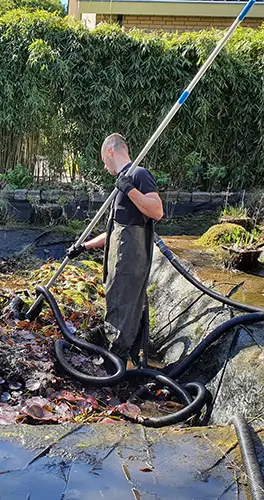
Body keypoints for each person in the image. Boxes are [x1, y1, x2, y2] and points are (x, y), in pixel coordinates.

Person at [66, 133, 163, 365]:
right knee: (121, 311)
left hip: (130, 266)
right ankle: (130, 363)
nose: (103, 165)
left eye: (103, 159)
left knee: (122, 312)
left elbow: (157, 211)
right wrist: (84, 246)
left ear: (111, 151)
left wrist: (130, 190)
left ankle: (113, 368)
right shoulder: (122, 181)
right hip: (118, 266)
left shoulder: (138, 175)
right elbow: (116, 231)